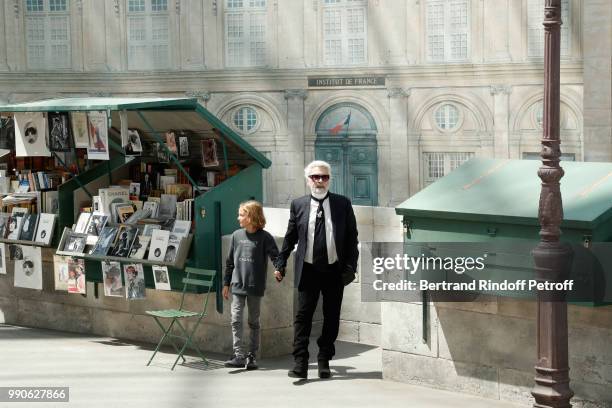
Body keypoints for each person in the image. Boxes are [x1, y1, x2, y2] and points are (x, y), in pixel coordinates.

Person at [274, 160, 359, 380]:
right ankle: (300, 362)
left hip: (334, 270)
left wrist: (351, 266)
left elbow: (352, 238)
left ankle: (324, 359)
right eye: (315, 177)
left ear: (330, 179)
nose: (319, 181)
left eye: (324, 177)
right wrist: (280, 262)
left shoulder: (343, 204)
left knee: (332, 317)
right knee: (303, 317)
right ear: (308, 180)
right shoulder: (298, 204)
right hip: (308, 269)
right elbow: (290, 237)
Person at [223, 200, 280, 370]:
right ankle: (239, 355)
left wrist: (279, 269)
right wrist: (226, 284)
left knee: (253, 322)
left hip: (255, 286)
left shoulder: (265, 237)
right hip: (237, 285)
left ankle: (252, 356)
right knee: (235, 319)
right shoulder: (236, 235)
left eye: (241, 214)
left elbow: (276, 257)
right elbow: (229, 263)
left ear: (251, 216)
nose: (238, 217)